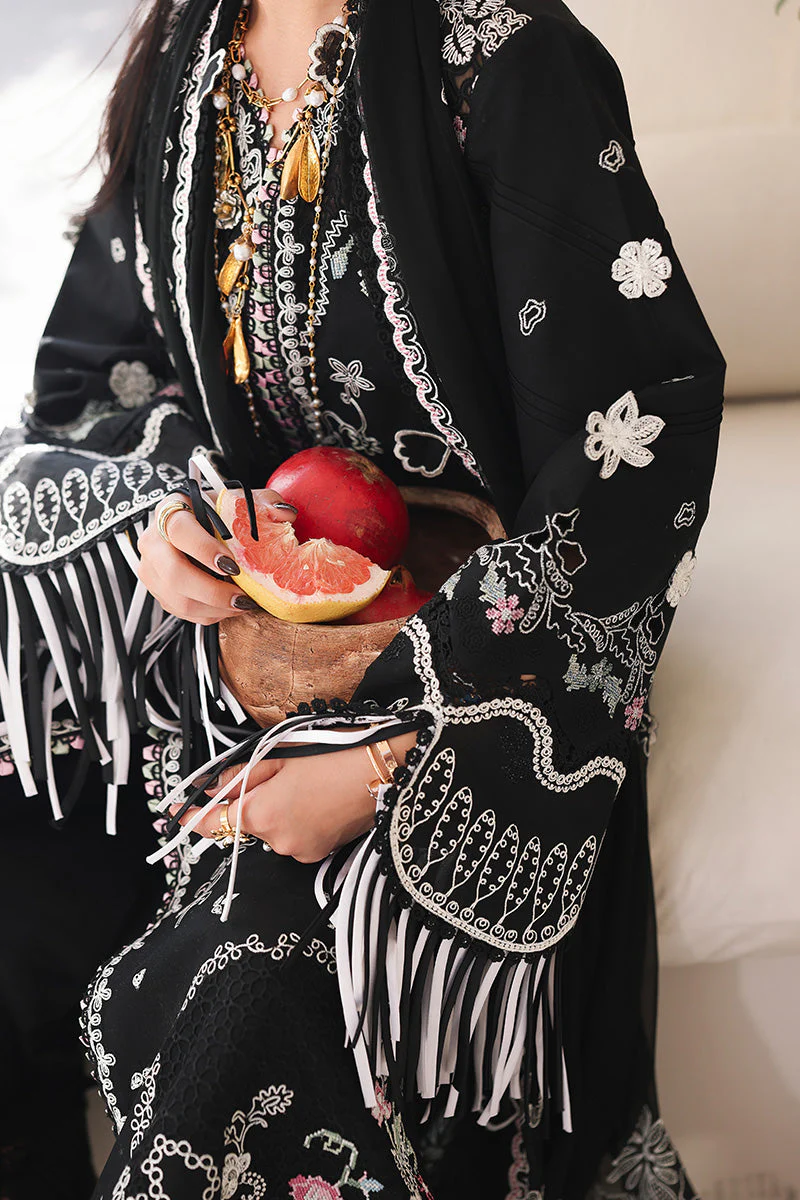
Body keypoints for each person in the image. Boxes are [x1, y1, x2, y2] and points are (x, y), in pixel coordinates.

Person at [0, 0, 726, 1196]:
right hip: (216, 655)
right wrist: (168, 518)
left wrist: (391, 768)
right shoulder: (188, 54)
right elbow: (100, 383)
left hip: (474, 680)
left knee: (255, 988)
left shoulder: (509, 59)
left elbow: (626, 455)